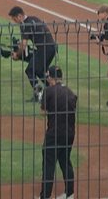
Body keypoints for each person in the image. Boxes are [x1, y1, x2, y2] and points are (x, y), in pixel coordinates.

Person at [39, 65, 77, 199]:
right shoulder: (71, 92)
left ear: (50, 78)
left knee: (48, 164)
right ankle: (70, 193)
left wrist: (41, 98)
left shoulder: (48, 91)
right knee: (65, 161)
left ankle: (45, 196)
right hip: (69, 133)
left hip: (54, 133)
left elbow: (43, 113)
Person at [8, 6, 58, 102]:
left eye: (14, 19)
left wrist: (17, 55)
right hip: (51, 48)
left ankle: (38, 95)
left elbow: (23, 45)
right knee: (39, 71)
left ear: (19, 16)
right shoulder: (33, 19)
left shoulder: (24, 25)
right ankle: (54, 90)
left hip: (44, 48)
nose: (15, 22)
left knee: (30, 70)